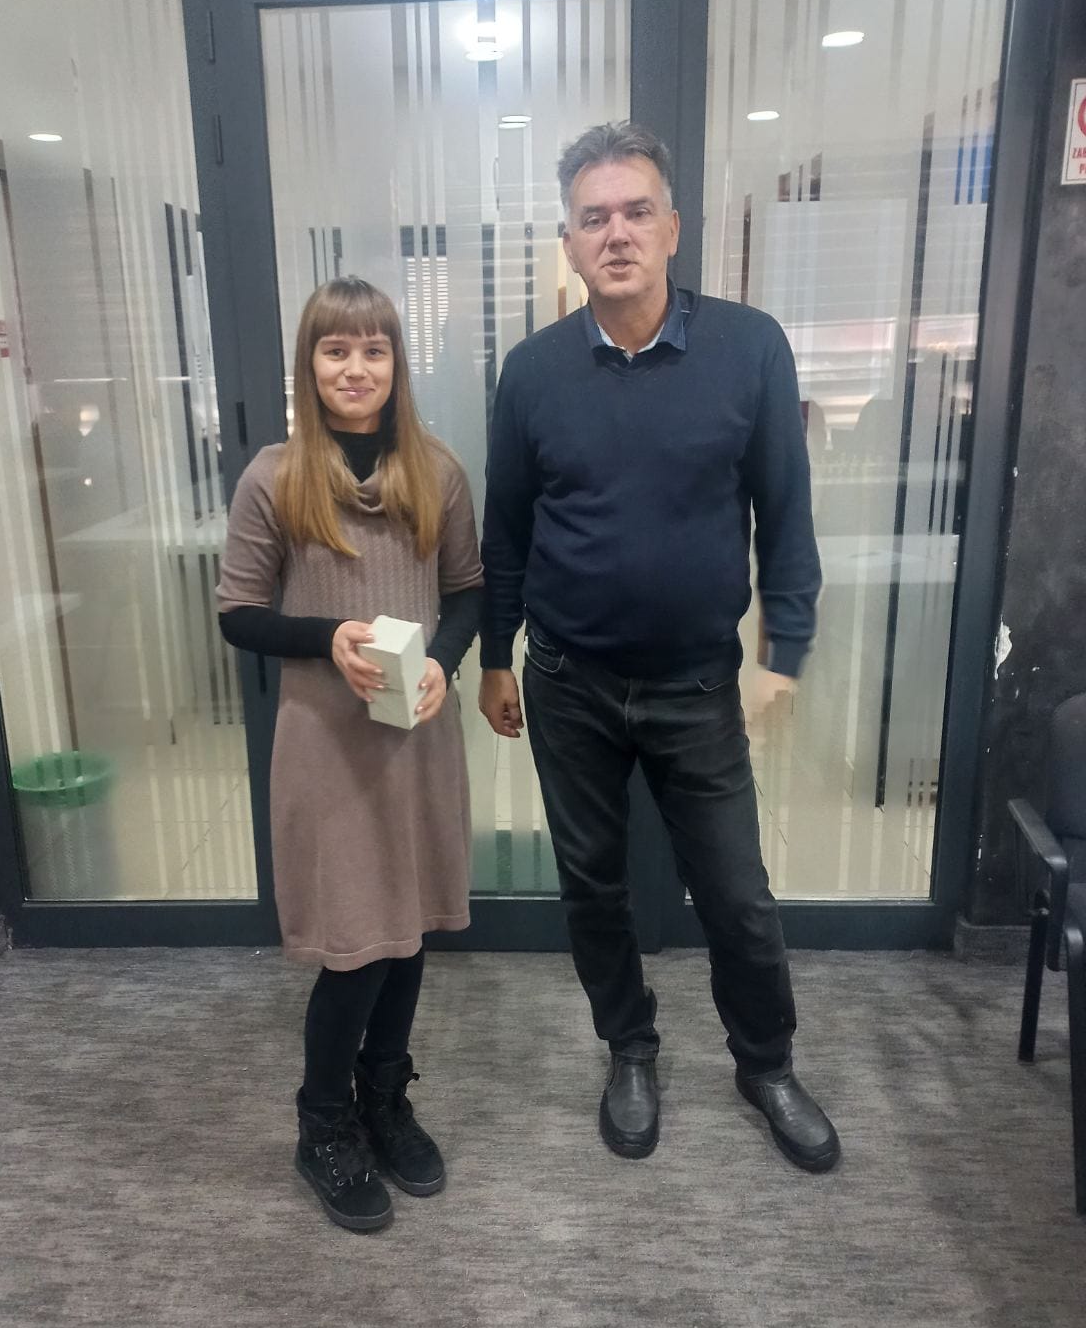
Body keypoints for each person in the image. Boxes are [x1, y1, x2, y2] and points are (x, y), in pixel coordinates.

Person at [478, 122, 840, 1173]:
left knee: (735, 894)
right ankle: (629, 1049)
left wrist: (784, 650)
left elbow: (786, 513)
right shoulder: (532, 373)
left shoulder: (749, 349)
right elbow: (507, 531)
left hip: (694, 684)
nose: (617, 233)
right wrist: (495, 654)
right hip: (568, 681)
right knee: (592, 887)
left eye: (637, 211)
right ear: (570, 242)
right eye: (594, 217)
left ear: (673, 228)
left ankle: (765, 1063)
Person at [217, 277, 484, 1232]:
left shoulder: (437, 472)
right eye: (337, 351)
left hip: (417, 735)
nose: (356, 368)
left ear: (397, 363)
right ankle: (322, 1122)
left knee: (408, 933)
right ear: (311, 364)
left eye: (375, 350)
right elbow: (239, 614)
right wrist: (327, 637)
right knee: (355, 948)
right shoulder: (274, 478)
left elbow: (468, 592)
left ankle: (385, 1100)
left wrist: (445, 664)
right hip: (327, 744)